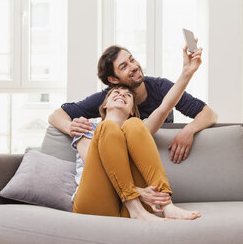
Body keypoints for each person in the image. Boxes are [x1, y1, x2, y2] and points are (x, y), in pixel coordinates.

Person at [73, 44, 203, 221]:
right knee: (108, 127)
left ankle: (167, 206)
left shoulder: (137, 126)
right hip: (94, 203)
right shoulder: (87, 127)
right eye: (116, 93)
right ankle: (136, 209)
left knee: (134, 126)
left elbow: (165, 107)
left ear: (132, 110)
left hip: (135, 208)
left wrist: (187, 72)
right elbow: (96, 166)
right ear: (105, 105)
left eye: (127, 96)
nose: (121, 95)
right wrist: (139, 192)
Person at [48, 42, 217, 164]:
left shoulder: (161, 88)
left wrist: (189, 130)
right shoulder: (111, 100)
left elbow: (208, 114)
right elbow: (57, 115)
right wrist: (71, 128)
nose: (134, 66)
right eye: (124, 66)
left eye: (132, 60)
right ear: (113, 79)